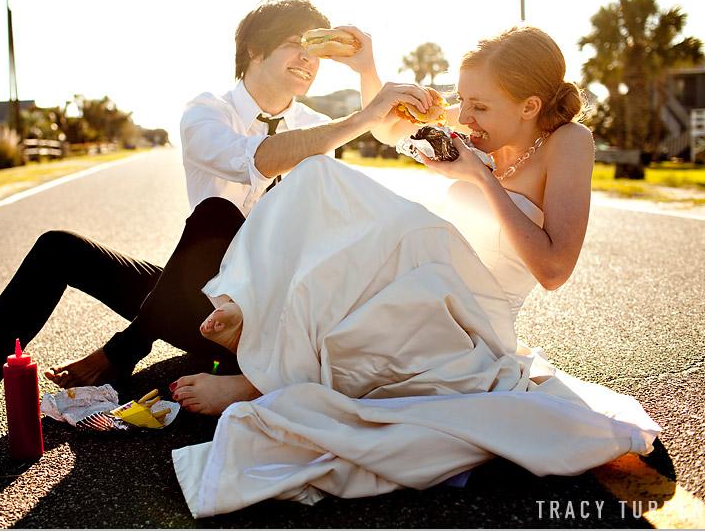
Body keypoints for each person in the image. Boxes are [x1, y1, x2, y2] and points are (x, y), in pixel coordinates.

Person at [0, 0, 431, 433]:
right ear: (255, 50)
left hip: (273, 318)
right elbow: (259, 159)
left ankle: (123, 351)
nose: (309, 63)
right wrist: (354, 120)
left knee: (219, 219)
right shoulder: (207, 112)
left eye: (318, 54)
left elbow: (385, 127)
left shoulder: (312, 124)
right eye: (297, 48)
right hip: (202, 304)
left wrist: (365, 69)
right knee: (66, 244)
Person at [169, 26, 661, 517]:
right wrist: (367, 69)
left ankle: (261, 381)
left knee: (398, 246)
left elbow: (554, 269)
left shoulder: (568, 142)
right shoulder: (482, 123)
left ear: (529, 106)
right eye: (461, 101)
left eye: (478, 107)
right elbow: (391, 128)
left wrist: (480, 177)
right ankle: (250, 314)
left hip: (476, 325)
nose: (463, 117)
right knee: (319, 176)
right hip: (430, 291)